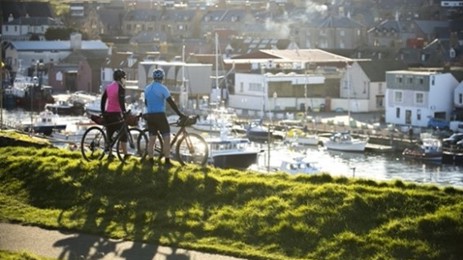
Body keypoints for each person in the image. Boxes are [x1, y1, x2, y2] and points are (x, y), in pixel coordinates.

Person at [144, 68, 185, 167]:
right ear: (162, 78)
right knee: (167, 137)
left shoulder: (147, 88)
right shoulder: (163, 88)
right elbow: (171, 103)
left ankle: (150, 161)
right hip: (160, 116)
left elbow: (146, 102)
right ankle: (167, 161)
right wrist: (180, 114)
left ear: (153, 77)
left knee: (152, 139)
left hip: (150, 115)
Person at [100, 69, 128, 159]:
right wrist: (124, 112)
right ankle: (125, 154)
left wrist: (103, 111)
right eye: (124, 78)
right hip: (116, 114)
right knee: (123, 134)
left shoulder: (108, 87)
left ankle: (110, 155)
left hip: (108, 113)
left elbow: (103, 100)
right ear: (120, 78)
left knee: (110, 135)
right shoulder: (120, 88)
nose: (125, 80)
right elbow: (121, 102)